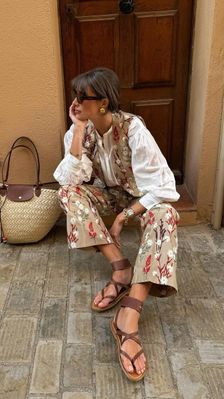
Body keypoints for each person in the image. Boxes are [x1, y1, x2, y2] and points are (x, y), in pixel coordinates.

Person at [54, 67, 180, 381]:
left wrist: (124, 217)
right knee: (69, 194)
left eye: (84, 97)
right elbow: (69, 179)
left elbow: (165, 187)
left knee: (165, 215)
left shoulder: (134, 129)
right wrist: (79, 129)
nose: (77, 102)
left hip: (140, 196)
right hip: (109, 193)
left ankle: (130, 312)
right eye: (76, 96)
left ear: (104, 103)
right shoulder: (79, 130)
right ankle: (121, 269)